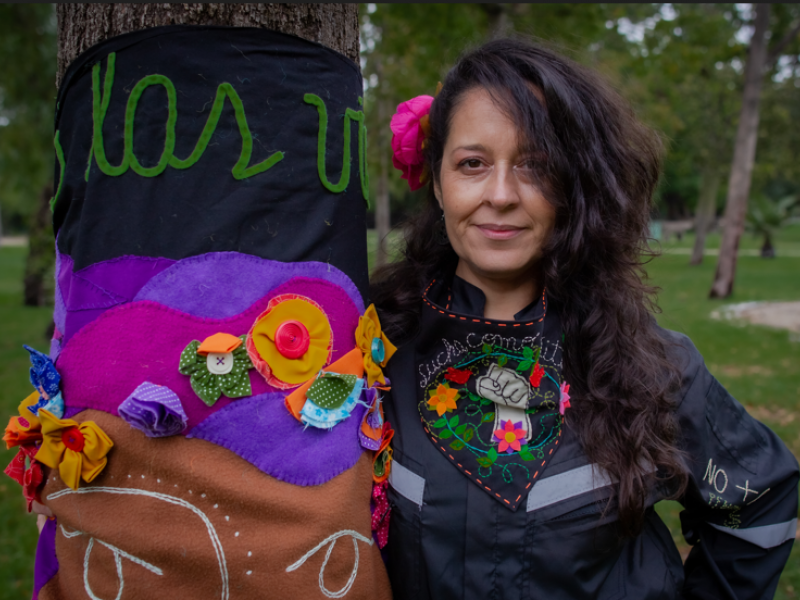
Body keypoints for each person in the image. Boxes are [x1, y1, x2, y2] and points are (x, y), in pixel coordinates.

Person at [371, 38, 799, 600]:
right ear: (437, 180)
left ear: (573, 185)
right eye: (472, 164)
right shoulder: (370, 351)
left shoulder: (653, 366)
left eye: (534, 166)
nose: (500, 194)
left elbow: (761, 500)